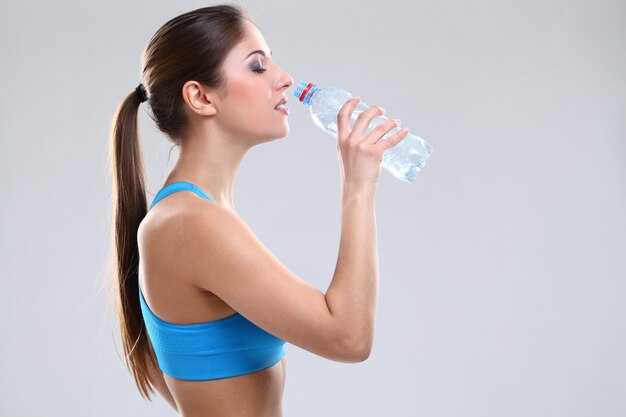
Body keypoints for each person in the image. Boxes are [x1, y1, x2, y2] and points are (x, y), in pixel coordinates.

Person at [108, 4, 410, 416]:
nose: (284, 79)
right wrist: (358, 187)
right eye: (257, 66)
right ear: (200, 96)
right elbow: (349, 338)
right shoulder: (189, 222)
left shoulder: (194, 215)